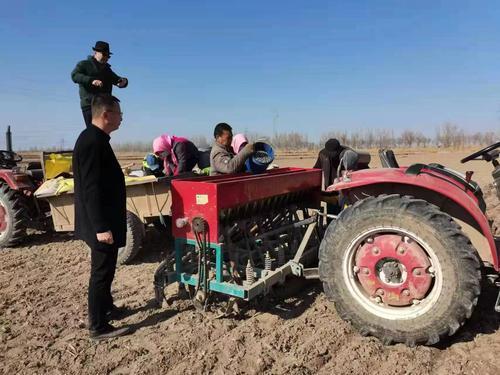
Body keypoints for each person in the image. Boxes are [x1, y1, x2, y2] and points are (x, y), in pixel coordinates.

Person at [73, 94, 131, 340]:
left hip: (106, 220)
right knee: (100, 273)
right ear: (106, 115)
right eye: (119, 114)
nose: (121, 119)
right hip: (101, 223)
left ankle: (107, 308)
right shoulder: (92, 142)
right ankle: (98, 326)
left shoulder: (98, 139)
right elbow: (91, 188)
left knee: (107, 271)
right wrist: (100, 227)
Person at [71, 41, 128, 128]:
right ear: (95, 52)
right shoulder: (84, 64)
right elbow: (75, 75)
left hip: (104, 106)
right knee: (93, 131)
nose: (106, 58)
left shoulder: (107, 69)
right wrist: (91, 80)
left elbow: (117, 79)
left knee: (104, 131)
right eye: (104, 54)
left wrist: (123, 82)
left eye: (108, 56)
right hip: (90, 105)